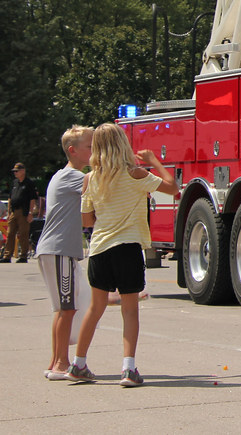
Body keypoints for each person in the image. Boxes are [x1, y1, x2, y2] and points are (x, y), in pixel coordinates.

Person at [67, 123, 176, 387]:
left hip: (99, 249)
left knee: (95, 308)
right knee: (129, 311)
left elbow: (87, 219)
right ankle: (128, 369)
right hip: (127, 247)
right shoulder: (136, 174)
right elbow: (173, 188)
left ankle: (78, 363)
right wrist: (153, 161)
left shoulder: (90, 178)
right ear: (122, 145)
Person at [36, 125, 94, 380]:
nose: (95, 152)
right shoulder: (74, 177)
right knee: (66, 308)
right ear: (73, 151)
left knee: (63, 309)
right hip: (59, 249)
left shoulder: (65, 176)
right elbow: (102, 180)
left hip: (56, 250)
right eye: (90, 147)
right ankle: (61, 364)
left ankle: (56, 361)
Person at [1, 162, 39, 263]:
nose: (15, 173)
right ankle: (7, 256)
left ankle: (23, 256)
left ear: (23, 171)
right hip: (14, 211)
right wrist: (9, 212)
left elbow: (32, 199)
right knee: (10, 233)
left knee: (23, 234)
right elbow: (10, 197)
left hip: (24, 211)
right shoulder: (14, 183)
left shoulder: (29, 183)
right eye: (14, 171)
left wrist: (31, 212)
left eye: (17, 171)